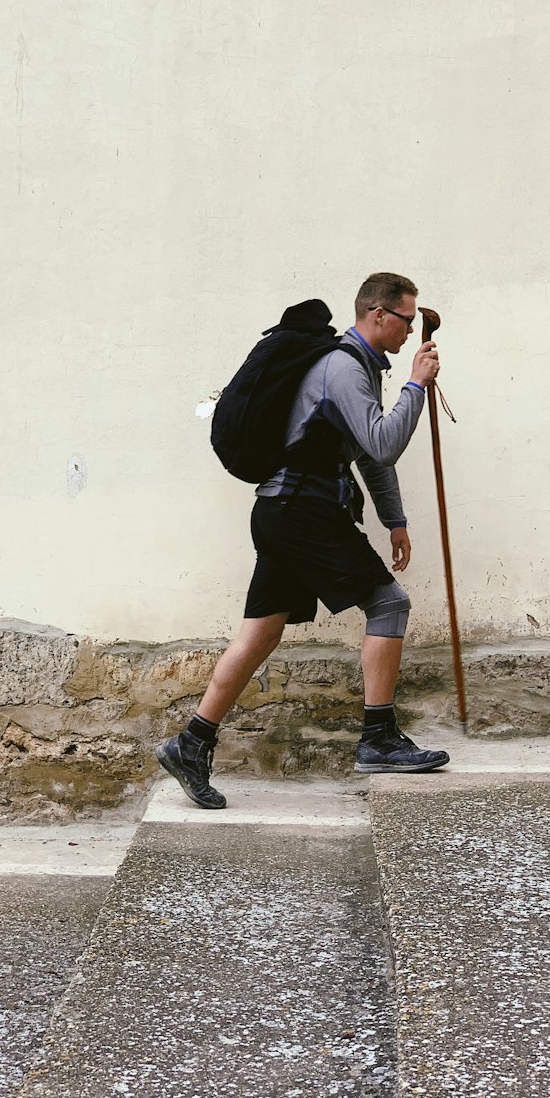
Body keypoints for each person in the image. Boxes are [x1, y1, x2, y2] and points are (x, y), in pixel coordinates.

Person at [158, 271, 449, 809]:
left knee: (260, 635)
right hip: (301, 512)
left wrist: (396, 520)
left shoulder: (358, 368)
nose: (412, 330)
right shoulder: (342, 366)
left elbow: (365, 453)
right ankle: (379, 738)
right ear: (378, 315)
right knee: (389, 604)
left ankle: (190, 743)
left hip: (283, 511)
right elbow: (384, 445)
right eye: (407, 319)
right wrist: (416, 384)